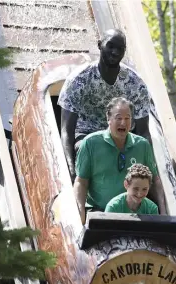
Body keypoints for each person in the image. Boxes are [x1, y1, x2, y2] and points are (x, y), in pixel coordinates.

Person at [58, 28, 152, 181]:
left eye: (120, 49)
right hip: (87, 135)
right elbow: (66, 130)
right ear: (100, 45)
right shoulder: (79, 80)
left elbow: (143, 133)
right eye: (111, 46)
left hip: (122, 135)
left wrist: (148, 167)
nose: (115, 52)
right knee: (91, 150)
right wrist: (69, 168)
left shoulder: (135, 84)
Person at [74, 97, 166, 224]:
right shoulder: (90, 143)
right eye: (119, 118)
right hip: (99, 213)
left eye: (127, 118)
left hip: (134, 215)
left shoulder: (142, 145)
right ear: (108, 119)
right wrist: (80, 215)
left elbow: (155, 180)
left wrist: (163, 212)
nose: (123, 123)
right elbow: (81, 182)